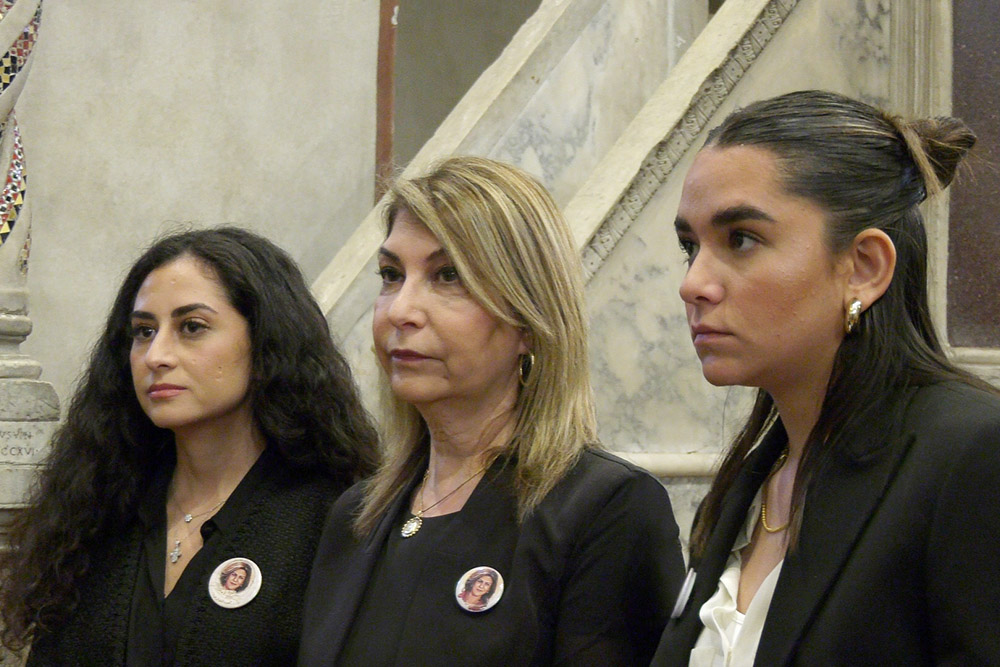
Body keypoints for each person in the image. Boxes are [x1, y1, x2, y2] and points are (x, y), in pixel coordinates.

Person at [652, 90, 1000, 665]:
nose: (694, 283)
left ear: (864, 267)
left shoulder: (970, 454)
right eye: (690, 246)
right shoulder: (754, 478)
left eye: (740, 238)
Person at [300, 156, 685, 666]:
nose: (400, 311)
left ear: (528, 320)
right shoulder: (355, 516)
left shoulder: (606, 510)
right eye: (391, 275)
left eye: (448, 276)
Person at [0, 227, 379, 665]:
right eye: (143, 331)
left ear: (265, 341)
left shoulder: (329, 517)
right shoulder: (96, 509)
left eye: (192, 327)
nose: (156, 355)